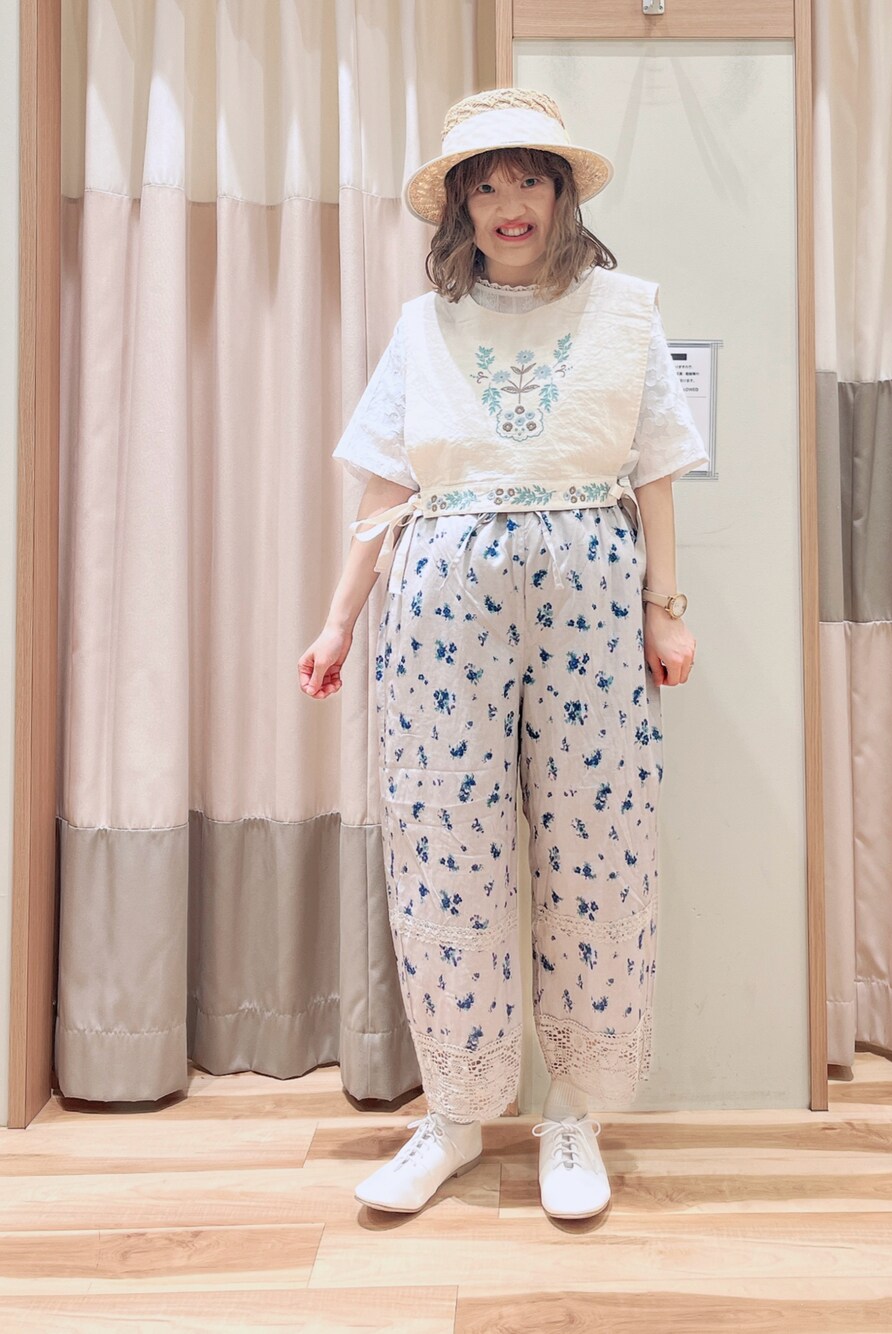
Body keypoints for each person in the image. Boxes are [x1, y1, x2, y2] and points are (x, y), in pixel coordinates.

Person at [298, 88, 709, 1219]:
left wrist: (665, 609)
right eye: (484, 186)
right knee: (445, 849)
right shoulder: (421, 327)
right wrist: (338, 620)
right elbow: (383, 489)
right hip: (441, 606)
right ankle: (457, 1112)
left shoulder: (626, 312)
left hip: (591, 600)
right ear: (459, 208)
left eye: (528, 178)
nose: (508, 203)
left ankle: (573, 1116)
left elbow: (655, 473)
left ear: (562, 193)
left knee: (600, 853)